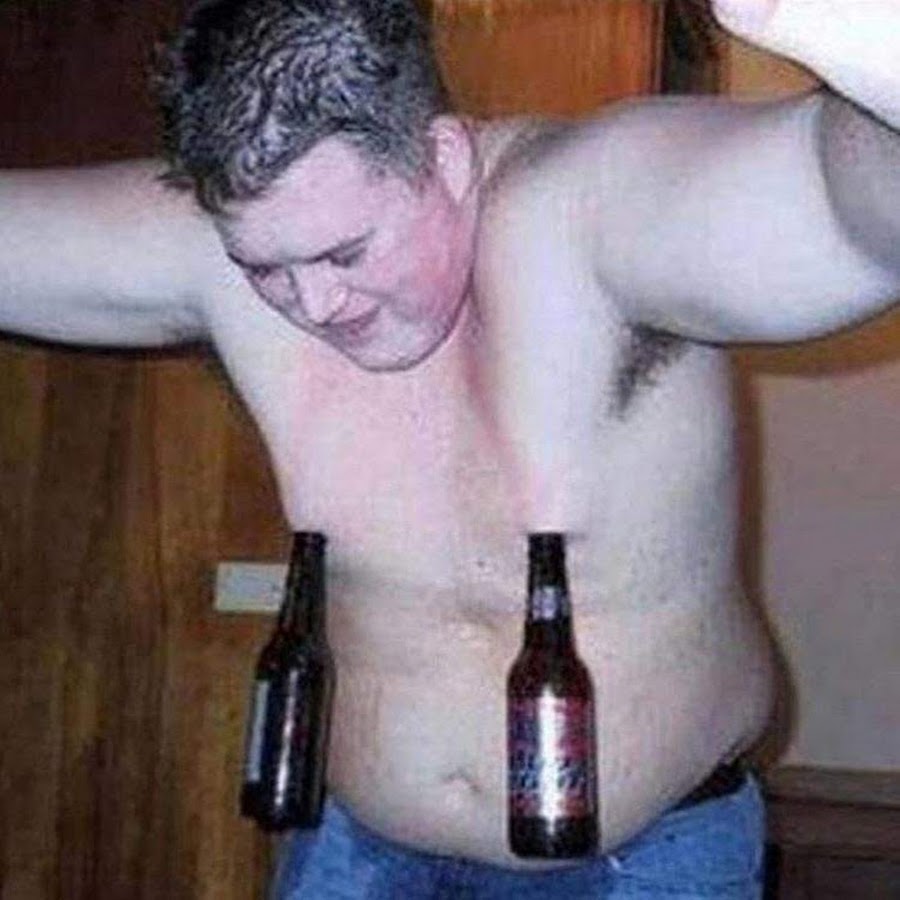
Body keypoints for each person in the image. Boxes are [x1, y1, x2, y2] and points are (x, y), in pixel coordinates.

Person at [2, 0, 899, 896]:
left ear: (444, 158)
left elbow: (852, 206)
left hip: (642, 864)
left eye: (347, 252)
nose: (313, 306)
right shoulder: (252, 235)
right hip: (353, 857)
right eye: (264, 269)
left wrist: (854, 38)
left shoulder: (596, 214)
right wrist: (271, 260)